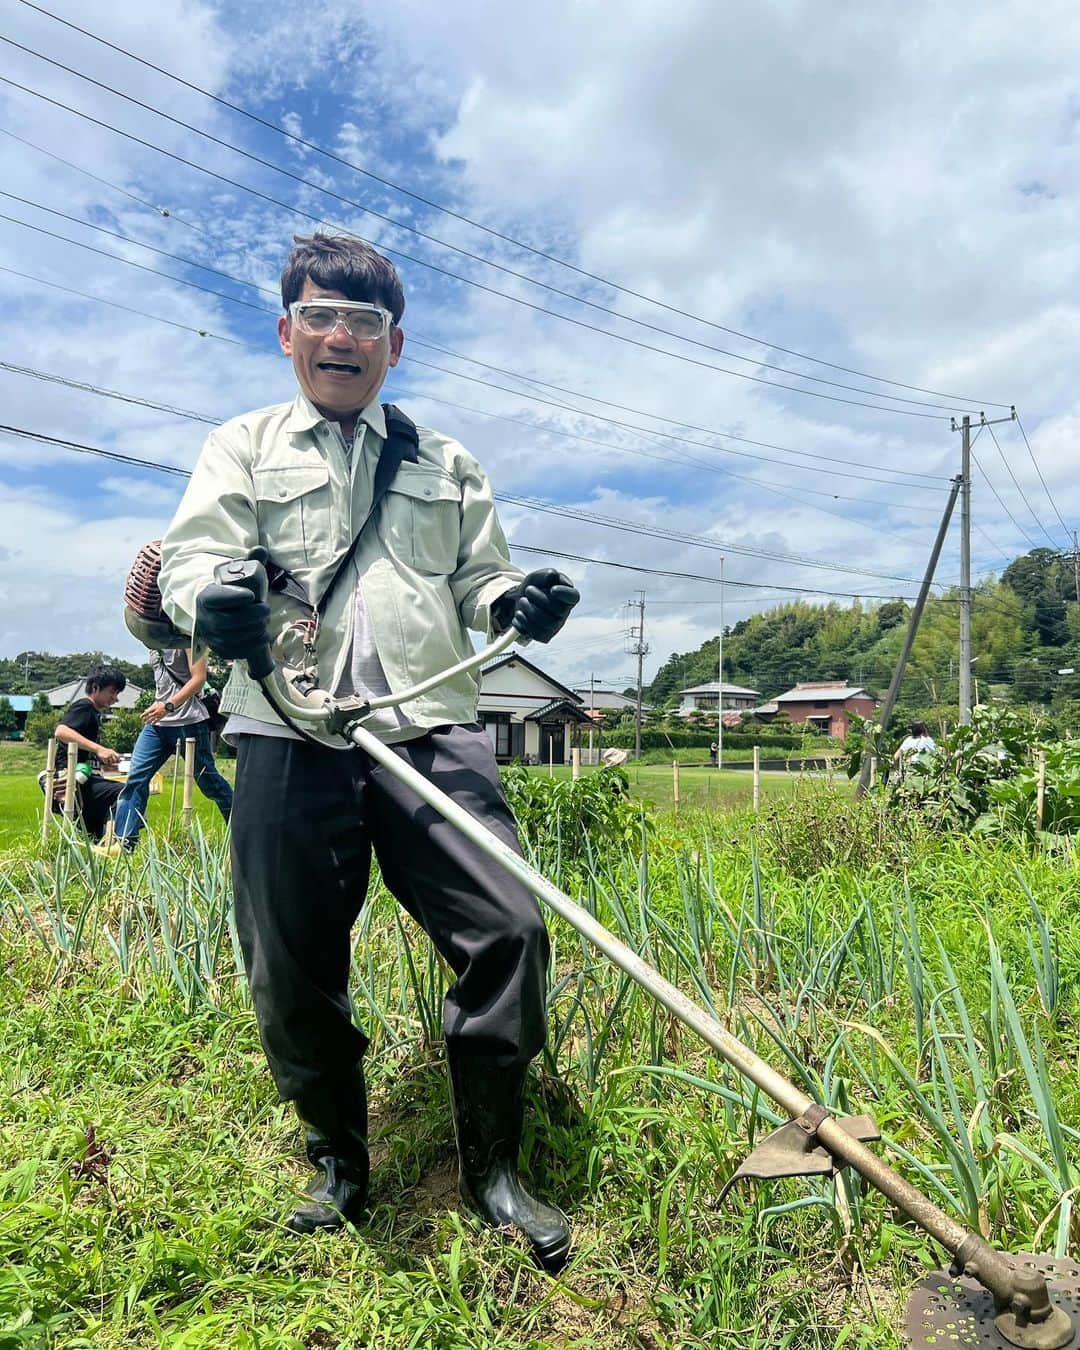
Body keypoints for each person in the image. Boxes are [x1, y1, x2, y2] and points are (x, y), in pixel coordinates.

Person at [158, 233, 580, 1268]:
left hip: (430, 731)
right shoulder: (243, 445)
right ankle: (341, 1161)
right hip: (287, 733)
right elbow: (191, 562)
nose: (340, 336)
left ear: (396, 345)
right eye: (320, 317)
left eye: (364, 324)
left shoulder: (445, 461)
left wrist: (514, 603)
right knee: (293, 965)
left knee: (510, 929)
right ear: (287, 330)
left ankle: (492, 1167)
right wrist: (214, 600)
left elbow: (480, 581)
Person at [107, 648, 233, 854]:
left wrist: (168, 706)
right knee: (136, 779)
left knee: (210, 784)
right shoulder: (153, 641)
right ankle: (124, 844)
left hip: (189, 721)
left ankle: (242, 833)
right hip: (157, 724)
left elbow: (199, 678)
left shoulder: (187, 636)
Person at [49, 666, 126, 841]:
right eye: (112, 692)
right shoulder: (84, 707)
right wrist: (99, 749)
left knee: (91, 833)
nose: (115, 698)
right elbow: (61, 731)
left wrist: (100, 758)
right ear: (95, 687)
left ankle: (98, 847)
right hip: (71, 778)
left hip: (84, 776)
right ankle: (115, 840)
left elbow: (81, 746)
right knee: (124, 792)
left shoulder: (93, 713)